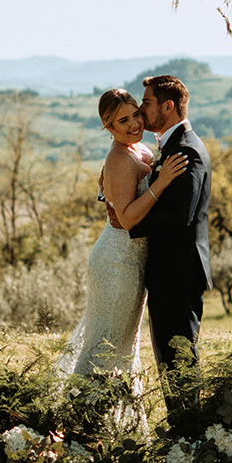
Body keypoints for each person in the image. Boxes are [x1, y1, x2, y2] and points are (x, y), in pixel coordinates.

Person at [55, 88, 188, 386]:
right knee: (106, 345)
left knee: (123, 345)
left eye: (136, 115)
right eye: (122, 121)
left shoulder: (140, 150)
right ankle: (82, 412)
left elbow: (117, 197)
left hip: (134, 261)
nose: (133, 125)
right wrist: (162, 181)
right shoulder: (118, 158)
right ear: (109, 127)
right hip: (116, 262)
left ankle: (110, 414)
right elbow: (127, 219)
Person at [129, 75, 212, 425]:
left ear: (168, 106)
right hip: (169, 271)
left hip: (178, 272)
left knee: (178, 359)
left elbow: (180, 216)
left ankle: (188, 433)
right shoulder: (174, 145)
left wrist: (131, 222)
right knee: (170, 357)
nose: (140, 109)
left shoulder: (187, 150)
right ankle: (185, 429)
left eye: (146, 103)